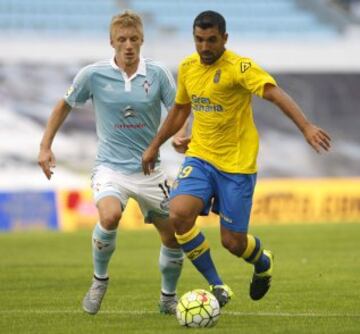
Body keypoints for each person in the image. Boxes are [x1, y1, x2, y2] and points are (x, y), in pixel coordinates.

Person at [142, 10, 331, 307]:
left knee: (232, 243)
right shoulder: (188, 67)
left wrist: (306, 127)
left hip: (237, 166)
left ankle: (263, 262)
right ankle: (218, 286)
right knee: (178, 214)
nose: (204, 47)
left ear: (225, 39)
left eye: (211, 40)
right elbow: (181, 109)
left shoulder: (240, 67)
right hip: (200, 158)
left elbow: (275, 94)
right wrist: (157, 145)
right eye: (199, 40)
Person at [38, 11, 184, 315]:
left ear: (142, 40)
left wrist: (181, 134)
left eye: (133, 39)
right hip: (110, 169)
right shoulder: (93, 74)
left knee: (173, 234)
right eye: (122, 40)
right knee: (110, 215)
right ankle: (99, 281)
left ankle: (168, 298)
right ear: (111, 42)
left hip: (150, 171)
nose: (128, 45)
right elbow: (63, 105)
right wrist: (45, 146)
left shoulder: (157, 74)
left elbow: (178, 110)